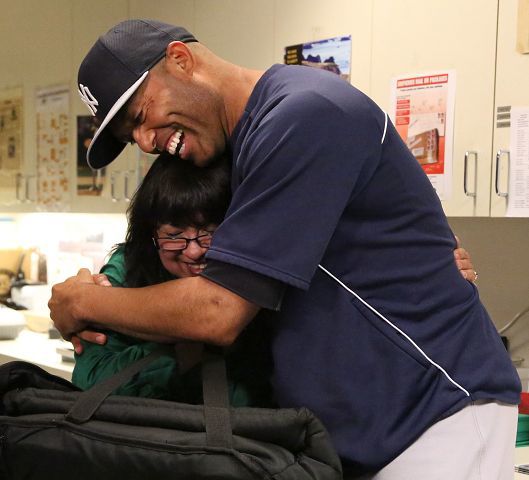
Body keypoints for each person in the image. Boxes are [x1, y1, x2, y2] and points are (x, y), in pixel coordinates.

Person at [50, 20, 519, 479]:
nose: (146, 141)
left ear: (180, 59)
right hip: (356, 431)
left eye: (140, 116)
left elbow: (217, 311)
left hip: (433, 412)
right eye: (130, 136)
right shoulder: (241, 145)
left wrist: (82, 301)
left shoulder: (305, 113)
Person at [72, 152, 274, 407]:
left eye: (210, 233)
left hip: (238, 437)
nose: (193, 251)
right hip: (143, 440)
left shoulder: (255, 272)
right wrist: (180, 353)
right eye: (174, 235)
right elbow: (89, 381)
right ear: (151, 234)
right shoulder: (127, 267)